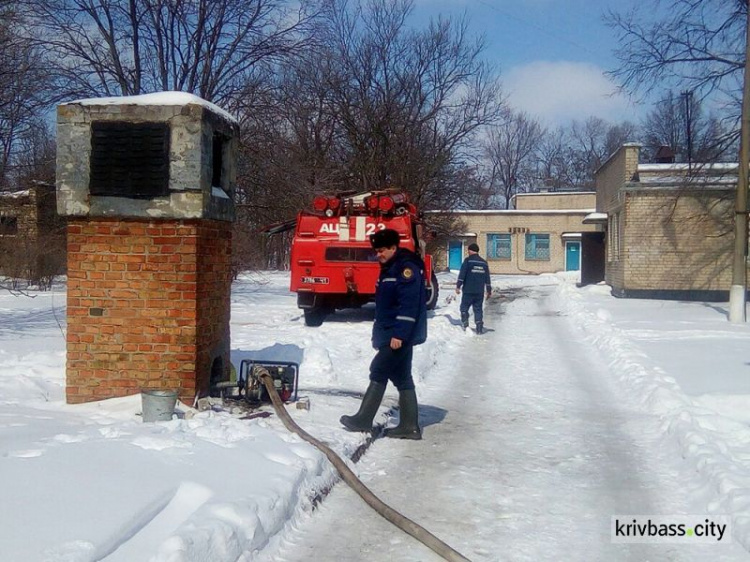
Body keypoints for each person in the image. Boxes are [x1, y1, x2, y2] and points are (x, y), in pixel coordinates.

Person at [340, 228, 427, 440]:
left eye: (381, 250)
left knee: (378, 369)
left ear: (393, 247)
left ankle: (363, 419)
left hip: (397, 335)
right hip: (389, 332)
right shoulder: (390, 268)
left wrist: (400, 334)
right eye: (376, 250)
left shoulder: (406, 269)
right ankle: (409, 426)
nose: (378, 254)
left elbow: (409, 304)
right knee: (401, 377)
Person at [455, 242, 492, 334]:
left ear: (471, 250)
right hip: (479, 291)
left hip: (468, 290)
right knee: (478, 309)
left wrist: (458, 286)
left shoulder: (468, 261)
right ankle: (479, 328)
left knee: (464, 307)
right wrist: (489, 290)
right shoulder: (484, 263)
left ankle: (465, 324)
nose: (468, 252)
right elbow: (487, 278)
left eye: (468, 250)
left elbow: (462, 274)